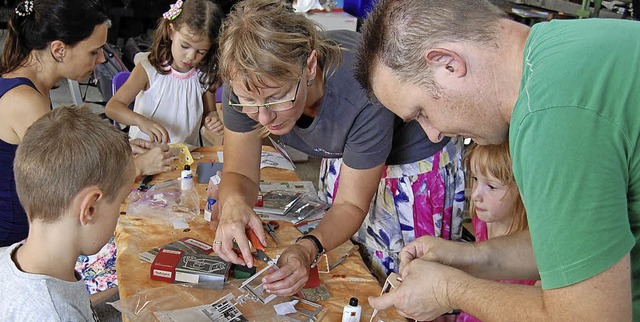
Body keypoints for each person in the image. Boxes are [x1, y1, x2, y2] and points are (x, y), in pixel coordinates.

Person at [355, 0, 640, 322]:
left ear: (448, 64)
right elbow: (579, 247)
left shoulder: (551, 118)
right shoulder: (558, 56)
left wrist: (452, 288)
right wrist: (467, 258)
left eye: (422, 113)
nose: (431, 134)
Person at [212, 0, 465, 295]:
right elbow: (240, 174)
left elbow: (350, 204)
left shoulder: (360, 92)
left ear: (309, 66)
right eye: (251, 103)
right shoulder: (248, 81)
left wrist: (308, 248)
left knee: (407, 280)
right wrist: (233, 205)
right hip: (348, 149)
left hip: (411, 167)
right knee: (352, 267)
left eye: (277, 98)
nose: (264, 117)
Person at [0, 105, 189, 322]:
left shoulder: (13, 262)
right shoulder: (52, 318)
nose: (118, 216)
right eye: (119, 205)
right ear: (89, 207)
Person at [0, 0, 173, 249]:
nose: (102, 59)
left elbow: (64, 154)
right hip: (14, 241)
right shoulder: (24, 100)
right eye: (94, 51)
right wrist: (137, 166)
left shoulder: (33, 86)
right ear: (59, 49)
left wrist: (119, 151)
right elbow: (70, 183)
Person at [418, 142, 540, 322]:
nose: (475, 195)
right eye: (474, 179)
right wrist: (449, 313)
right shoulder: (486, 222)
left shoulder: (539, 255)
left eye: (492, 186)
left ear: (525, 190)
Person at [105, 0, 224, 147]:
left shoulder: (204, 75)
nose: (190, 56)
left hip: (186, 155)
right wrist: (141, 121)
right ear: (171, 31)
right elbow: (113, 107)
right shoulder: (149, 68)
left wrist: (211, 119)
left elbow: (209, 112)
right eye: (185, 46)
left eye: (201, 52)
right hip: (146, 153)